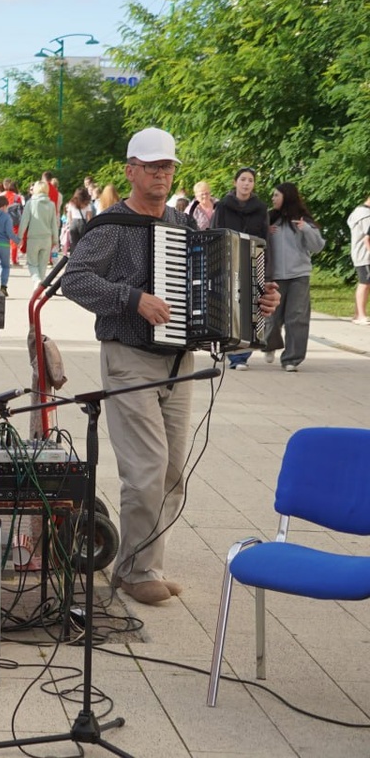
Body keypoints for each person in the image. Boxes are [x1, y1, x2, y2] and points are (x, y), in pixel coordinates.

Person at [62, 127, 280, 605]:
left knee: (172, 470)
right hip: (130, 357)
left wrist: (256, 303)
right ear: (131, 171)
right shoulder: (111, 226)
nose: (161, 174)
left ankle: (143, 566)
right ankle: (137, 574)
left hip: (180, 362)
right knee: (146, 467)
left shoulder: (184, 225)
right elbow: (74, 281)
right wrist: (132, 299)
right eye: (152, 166)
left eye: (168, 167)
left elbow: (214, 290)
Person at [209, 167, 269, 370]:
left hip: (251, 261)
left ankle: (240, 356)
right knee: (225, 305)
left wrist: (264, 267)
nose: (246, 183)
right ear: (235, 182)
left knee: (248, 308)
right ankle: (222, 346)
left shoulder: (260, 208)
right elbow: (215, 231)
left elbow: (265, 239)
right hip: (227, 260)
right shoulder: (223, 206)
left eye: (250, 180)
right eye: (243, 179)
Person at [262, 183, 324, 372]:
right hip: (275, 276)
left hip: (299, 275)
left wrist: (306, 228)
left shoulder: (303, 221)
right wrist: (266, 230)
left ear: (286, 197)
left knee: (296, 317)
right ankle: (269, 345)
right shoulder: (270, 218)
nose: (273, 199)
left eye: (276, 195)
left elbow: (317, 246)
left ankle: (291, 359)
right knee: (272, 318)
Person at [19, 180, 57, 282]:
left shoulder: (30, 204)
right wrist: (56, 240)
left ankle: (37, 281)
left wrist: (19, 237)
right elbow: (54, 223)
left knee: (32, 264)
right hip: (47, 239)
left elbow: (24, 222)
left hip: (33, 238)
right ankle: (39, 288)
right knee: (43, 266)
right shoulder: (51, 205)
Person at [347, 194, 370, 325]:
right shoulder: (365, 215)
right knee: (365, 283)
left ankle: (358, 314)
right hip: (365, 255)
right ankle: (360, 315)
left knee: (365, 283)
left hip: (361, 254)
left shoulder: (359, 212)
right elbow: (368, 237)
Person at [62, 186, 92, 255]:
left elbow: (69, 215)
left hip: (74, 223)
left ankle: (73, 258)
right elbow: (89, 217)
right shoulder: (87, 203)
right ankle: (82, 257)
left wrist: (70, 224)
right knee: (83, 242)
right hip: (83, 223)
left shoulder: (71, 202)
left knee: (73, 243)